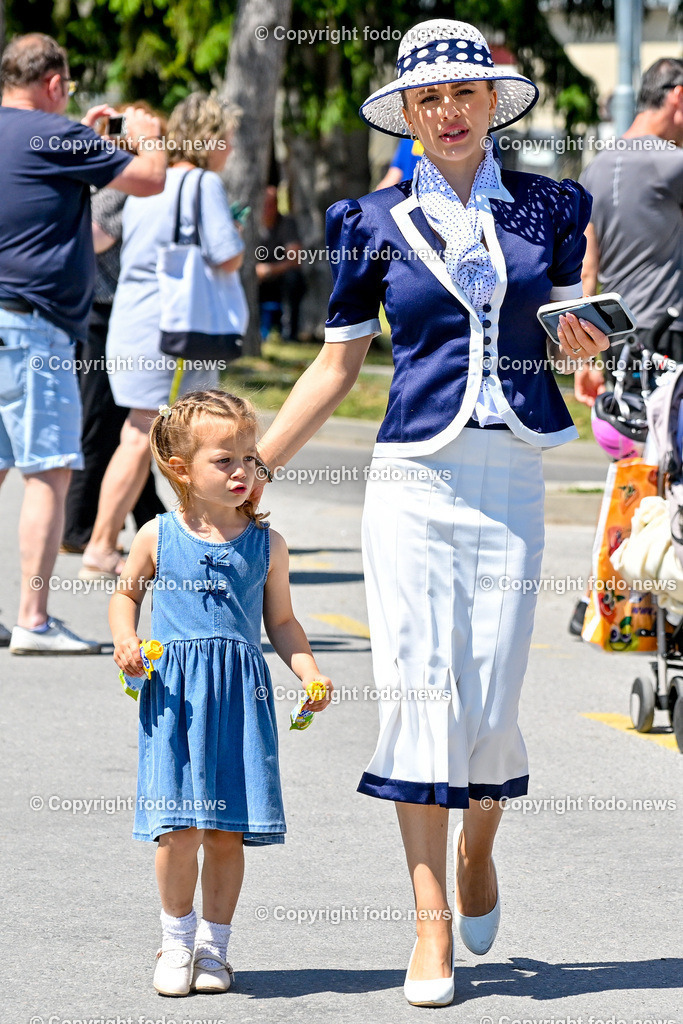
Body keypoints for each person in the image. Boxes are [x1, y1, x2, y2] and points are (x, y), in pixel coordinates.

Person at [252, 18, 610, 1007]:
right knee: (418, 694)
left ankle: (478, 840)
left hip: (513, 479)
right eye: (428, 99)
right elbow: (334, 366)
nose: (449, 112)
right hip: (411, 480)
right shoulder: (363, 218)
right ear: (406, 115)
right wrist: (250, 472)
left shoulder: (555, 205)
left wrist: (584, 352)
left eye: (466, 94)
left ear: (493, 103)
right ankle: (428, 923)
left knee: (489, 703)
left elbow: (575, 353)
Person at [109, 389, 333, 997]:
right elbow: (125, 595)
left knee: (226, 831)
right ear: (180, 468)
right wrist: (125, 640)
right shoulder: (157, 535)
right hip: (174, 700)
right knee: (177, 830)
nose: (241, 471)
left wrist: (309, 672)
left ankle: (215, 948)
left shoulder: (268, 544)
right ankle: (175, 940)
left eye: (248, 457)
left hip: (239, 700)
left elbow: (282, 623)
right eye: (223, 460)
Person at [0, 33, 165, 654]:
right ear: (52, 83)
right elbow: (148, 179)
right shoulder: (57, 135)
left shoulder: (41, 135)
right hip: (34, 324)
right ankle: (35, 620)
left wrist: (83, 132)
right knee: (48, 472)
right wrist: (146, 134)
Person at [80, 91, 245, 580]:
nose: (231, 149)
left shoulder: (150, 183)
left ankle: (118, 541)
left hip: (133, 322)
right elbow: (227, 255)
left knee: (140, 431)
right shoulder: (201, 184)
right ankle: (103, 544)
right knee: (149, 435)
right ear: (211, 138)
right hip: (171, 332)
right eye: (228, 139)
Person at [567, 58, 683, 635]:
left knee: (637, 476)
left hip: (618, 345)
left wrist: (585, 358)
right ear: (678, 98)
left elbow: (585, 267)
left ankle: (617, 601)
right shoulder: (675, 164)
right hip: (670, 343)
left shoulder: (597, 164)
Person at [62, 112, 166, 553]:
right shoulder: (116, 189)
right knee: (103, 420)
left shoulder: (103, 183)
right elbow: (96, 236)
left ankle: (150, 521)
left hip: (102, 309)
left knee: (123, 425)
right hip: (103, 311)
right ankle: (80, 529)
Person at [255, 185, 306, 341]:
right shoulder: (252, 225)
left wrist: (269, 270)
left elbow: (295, 259)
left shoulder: (286, 224)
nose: (270, 208)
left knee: (294, 279)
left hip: (279, 278)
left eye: (273, 203)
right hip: (256, 279)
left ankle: (290, 333)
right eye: (266, 204)